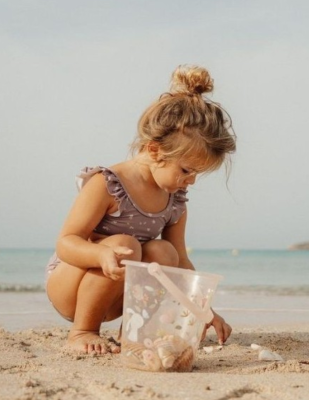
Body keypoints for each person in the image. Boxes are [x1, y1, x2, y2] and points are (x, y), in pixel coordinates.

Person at [46, 65, 236, 355]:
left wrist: (204, 311)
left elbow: (181, 264)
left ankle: (133, 333)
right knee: (125, 245)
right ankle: (83, 331)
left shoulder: (175, 200)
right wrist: (100, 253)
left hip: (118, 296)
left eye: (197, 173)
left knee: (164, 253)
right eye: (186, 170)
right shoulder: (107, 184)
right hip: (72, 286)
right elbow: (66, 243)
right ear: (155, 150)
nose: (191, 180)